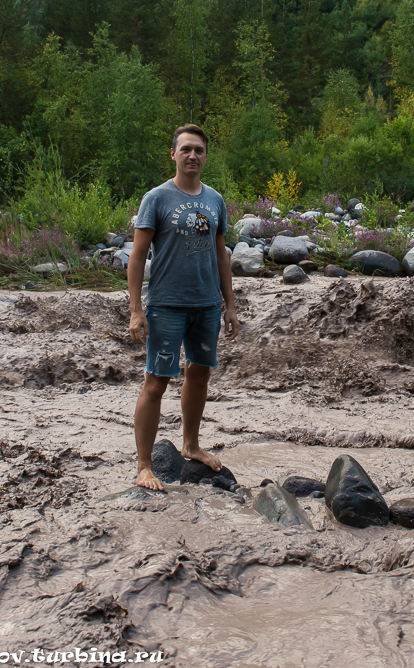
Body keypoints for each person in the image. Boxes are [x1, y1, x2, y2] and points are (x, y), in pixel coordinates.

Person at [127, 124, 240, 492]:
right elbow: (138, 256)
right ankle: (145, 465)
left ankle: (190, 444)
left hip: (206, 304)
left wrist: (230, 305)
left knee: (200, 374)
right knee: (156, 381)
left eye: (199, 150)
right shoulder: (156, 198)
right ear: (173, 154)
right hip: (166, 304)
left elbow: (221, 254)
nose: (193, 155)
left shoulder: (215, 200)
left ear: (206, 157)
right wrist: (135, 310)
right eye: (186, 149)